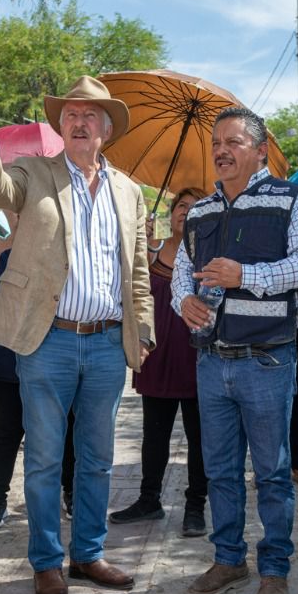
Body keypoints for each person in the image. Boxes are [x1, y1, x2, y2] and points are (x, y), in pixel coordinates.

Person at [0, 78, 153, 594]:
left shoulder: (130, 191)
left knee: (99, 457)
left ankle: (88, 553)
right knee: (42, 457)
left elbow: (135, 272)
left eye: (91, 116)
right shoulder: (34, 173)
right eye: (71, 115)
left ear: (107, 129)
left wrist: (143, 332)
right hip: (47, 342)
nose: (80, 123)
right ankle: (46, 561)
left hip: (108, 343)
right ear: (62, 127)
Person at [174, 107, 298, 594]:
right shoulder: (200, 212)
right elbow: (181, 272)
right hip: (211, 361)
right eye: (217, 142)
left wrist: (246, 275)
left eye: (234, 141)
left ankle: (275, 569)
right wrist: (183, 303)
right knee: (219, 470)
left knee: (274, 473)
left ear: (261, 150)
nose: (222, 150)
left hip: (266, 360)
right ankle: (228, 559)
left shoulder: (291, 199)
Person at [111, 188, 207, 537]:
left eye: (195, 207)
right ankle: (148, 499)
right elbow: (130, 286)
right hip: (156, 355)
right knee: (154, 436)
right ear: (170, 211)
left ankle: (196, 506)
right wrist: (144, 243)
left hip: (197, 357)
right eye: (181, 205)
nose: (186, 211)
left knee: (200, 440)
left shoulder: (209, 254)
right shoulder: (150, 249)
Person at [0, 248, 79, 529]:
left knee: (65, 430)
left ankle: (71, 493)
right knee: (7, 433)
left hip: (59, 365)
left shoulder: (68, 255)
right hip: (8, 365)